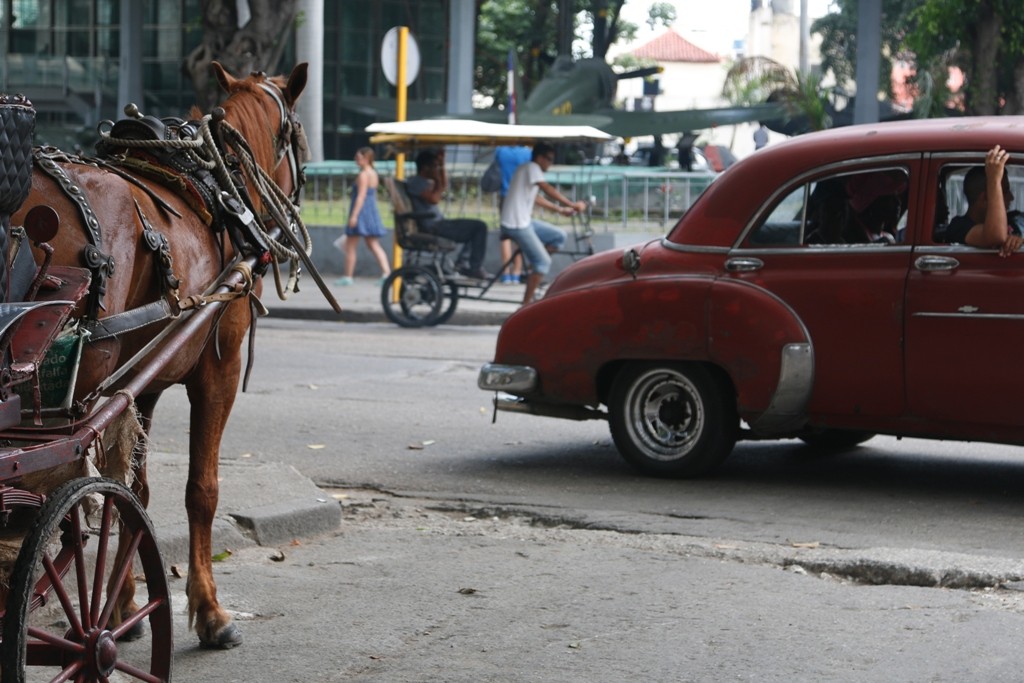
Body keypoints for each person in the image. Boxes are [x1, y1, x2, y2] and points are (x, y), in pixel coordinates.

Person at [500, 142, 587, 305]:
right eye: (549, 159)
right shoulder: (531, 167)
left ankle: (533, 269)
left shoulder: (528, 170)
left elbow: (536, 198)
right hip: (516, 224)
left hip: (524, 221)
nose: (550, 163)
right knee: (544, 262)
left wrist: (560, 210)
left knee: (559, 236)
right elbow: (546, 189)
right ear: (539, 158)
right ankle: (525, 305)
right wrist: (572, 204)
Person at [406, 148, 490, 279]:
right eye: (434, 166)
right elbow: (434, 199)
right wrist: (437, 180)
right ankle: (473, 267)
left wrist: (442, 164)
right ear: (425, 168)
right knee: (479, 227)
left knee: (477, 227)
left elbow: (443, 186)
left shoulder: (424, 181)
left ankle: (464, 262)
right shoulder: (416, 182)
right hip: (433, 225)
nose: (436, 170)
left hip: (438, 222)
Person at [944, 145, 1022, 257]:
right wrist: (994, 180)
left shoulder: (1014, 219)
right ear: (985, 198)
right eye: (1004, 191)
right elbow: (996, 237)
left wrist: (1018, 241)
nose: (1012, 197)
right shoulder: (958, 227)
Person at [334, 147, 391, 286]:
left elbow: (361, 196)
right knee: (373, 244)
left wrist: (354, 216)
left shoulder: (363, 175)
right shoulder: (373, 174)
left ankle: (348, 276)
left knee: (351, 246)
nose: (356, 160)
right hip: (370, 211)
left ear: (366, 159)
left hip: (361, 212)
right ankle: (387, 273)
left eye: (358, 158)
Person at [494, 145, 532, 284]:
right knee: (520, 234)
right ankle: (517, 272)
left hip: (505, 195)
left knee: (505, 236)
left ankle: (506, 273)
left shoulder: (501, 151)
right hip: (522, 197)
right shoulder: (527, 153)